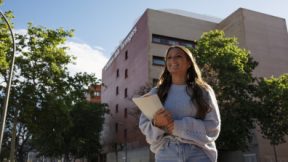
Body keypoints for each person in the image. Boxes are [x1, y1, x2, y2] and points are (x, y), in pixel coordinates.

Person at [139, 45, 221, 162]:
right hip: (167, 153)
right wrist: (156, 123)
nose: (173, 60)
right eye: (169, 58)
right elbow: (144, 125)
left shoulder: (204, 91)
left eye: (178, 56)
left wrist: (178, 126)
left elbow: (213, 126)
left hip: (199, 152)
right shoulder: (156, 92)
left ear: (189, 63)